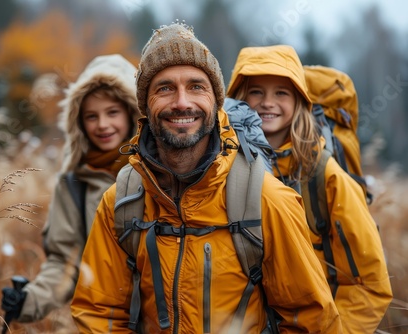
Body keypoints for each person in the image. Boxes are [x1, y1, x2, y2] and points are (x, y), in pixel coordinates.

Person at [71, 22, 341, 333]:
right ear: (145, 105)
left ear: (216, 103)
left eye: (197, 86)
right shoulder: (121, 201)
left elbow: (311, 321)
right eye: (165, 88)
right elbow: (98, 312)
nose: (182, 102)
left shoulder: (267, 200)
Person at [226, 44, 392, 333]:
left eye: (281, 92)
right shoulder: (221, 169)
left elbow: (369, 283)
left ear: (300, 101)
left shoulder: (323, 174)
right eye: (256, 92)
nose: (268, 102)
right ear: (238, 100)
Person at [1, 54, 140, 324]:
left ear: (132, 112)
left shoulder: (161, 173)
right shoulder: (73, 184)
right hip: (107, 321)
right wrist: (30, 300)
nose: (102, 125)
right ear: (79, 122)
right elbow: (65, 264)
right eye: (91, 116)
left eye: (112, 112)